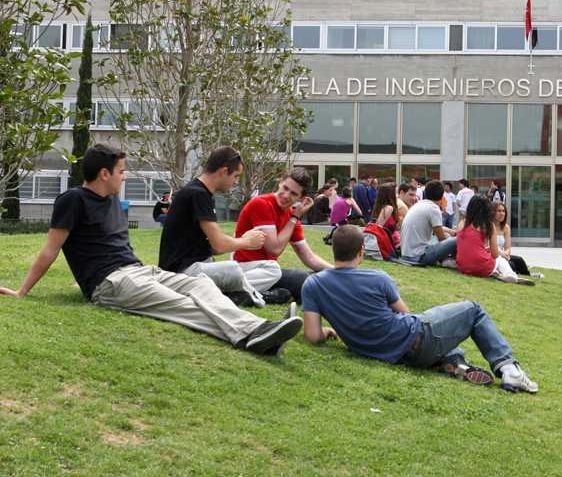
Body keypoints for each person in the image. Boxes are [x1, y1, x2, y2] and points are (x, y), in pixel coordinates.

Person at [0, 144, 302, 354]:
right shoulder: (73, 200)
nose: (125, 175)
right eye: (121, 170)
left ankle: (263, 328)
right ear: (104, 174)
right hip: (111, 283)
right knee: (181, 305)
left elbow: (112, 246)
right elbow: (51, 249)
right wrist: (22, 292)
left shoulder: (113, 203)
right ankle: (250, 336)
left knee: (201, 287)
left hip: (139, 272)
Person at [301, 225, 539, 393]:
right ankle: (510, 370)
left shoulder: (313, 284)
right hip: (413, 341)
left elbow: (312, 335)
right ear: (361, 250)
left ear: (334, 250)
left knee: (440, 331)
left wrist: (329, 332)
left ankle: (454, 362)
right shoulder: (378, 278)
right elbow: (406, 315)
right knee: (472, 310)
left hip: (393, 355)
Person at [158, 146, 286, 307]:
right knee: (232, 269)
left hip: (203, 266)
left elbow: (215, 248)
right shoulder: (197, 194)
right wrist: (246, 242)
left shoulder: (204, 195)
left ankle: (234, 294)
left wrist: (242, 240)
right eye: (236, 176)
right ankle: (252, 297)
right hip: (184, 273)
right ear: (224, 171)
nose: (236, 182)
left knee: (272, 267)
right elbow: (219, 244)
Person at [234, 168, 335, 303]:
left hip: (266, 271)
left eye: (293, 193)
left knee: (320, 277)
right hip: (248, 268)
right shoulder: (262, 204)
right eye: (285, 188)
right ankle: (237, 292)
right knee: (298, 278)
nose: (286, 195)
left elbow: (310, 258)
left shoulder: (292, 217)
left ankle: (264, 295)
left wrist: (339, 272)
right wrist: (294, 218)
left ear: (301, 197)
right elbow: (274, 249)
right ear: (280, 183)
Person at [456, 195, 530, 285]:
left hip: (462, 266)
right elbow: (495, 254)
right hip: (481, 267)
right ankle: (510, 274)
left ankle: (497, 273)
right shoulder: (489, 225)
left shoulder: (462, 223)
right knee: (499, 258)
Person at [400, 179, 457, 266]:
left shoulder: (419, 204)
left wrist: (451, 232)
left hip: (406, 254)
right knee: (457, 240)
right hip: (418, 257)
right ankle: (450, 260)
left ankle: (447, 259)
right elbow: (441, 238)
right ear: (442, 197)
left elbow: (438, 228)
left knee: (448, 235)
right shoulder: (433, 208)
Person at [493, 201, 537, 278]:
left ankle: (528, 275)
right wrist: (501, 254)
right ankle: (513, 274)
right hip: (493, 254)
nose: (502, 213)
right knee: (511, 265)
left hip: (504, 255)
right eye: (499, 211)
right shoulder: (488, 226)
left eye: (503, 211)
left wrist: (506, 254)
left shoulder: (506, 228)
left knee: (519, 260)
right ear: (493, 212)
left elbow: (508, 248)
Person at [372, 183, 401, 254]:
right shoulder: (388, 208)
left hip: (391, 242)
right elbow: (378, 227)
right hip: (392, 244)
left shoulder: (379, 207)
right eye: (395, 192)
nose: (397, 195)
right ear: (390, 195)